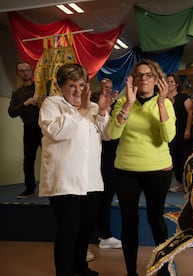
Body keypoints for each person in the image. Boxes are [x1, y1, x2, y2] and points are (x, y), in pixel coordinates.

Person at [38, 63, 116, 276]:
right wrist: (81, 110)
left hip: (90, 181)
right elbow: (57, 132)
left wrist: (101, 111)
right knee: (68, 230)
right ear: (61, 86)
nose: (77, 90)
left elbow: (107, 134)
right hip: (64, 181)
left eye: (81, 85)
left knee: (85, 230)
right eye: (71, 85)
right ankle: (64, 272)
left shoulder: (92, 106)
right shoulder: (51, 104)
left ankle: (80, 267)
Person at [107, 59, 176, 276]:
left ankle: (164, 268)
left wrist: (163, 102)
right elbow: (112, 134)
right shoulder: (122, 102)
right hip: (126, 170)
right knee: (129, 222)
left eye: (148, 75)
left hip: (158, 170)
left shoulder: (165, 103)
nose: (144, 78)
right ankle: (131, 272)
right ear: (133, 80)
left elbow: (167, 137)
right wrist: (128, 103)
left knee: (156, 219)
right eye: (139, 75)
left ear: (156, 80)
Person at [91, 78, 122, 249]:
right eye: (105, 87)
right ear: (100, 88)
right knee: (101, 197)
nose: (108, 90)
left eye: (111, 87)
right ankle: (104, 234)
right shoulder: (92, 103)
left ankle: (105, 233)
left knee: (107, 195)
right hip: (98, 155)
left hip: (112, 154)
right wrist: (103, 109)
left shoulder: (116, 103)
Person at [8, 61, 42, 199]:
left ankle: (54, 188)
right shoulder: (17, 93)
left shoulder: (40, 88)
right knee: (28, 160)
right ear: (18, 74)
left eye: (27, 70)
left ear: (32, 71)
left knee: (51, 158)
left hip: (45, 127)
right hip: (29, 128)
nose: (25, 73)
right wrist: (25, 103)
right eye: (21, 71)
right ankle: (29, 189)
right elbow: (11, 112)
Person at [167, 73, 193, 193]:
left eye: (172, 82)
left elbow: (190, 113)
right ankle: (179, 182)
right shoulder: (163, 99)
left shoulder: (184, 97)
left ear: (177, 84)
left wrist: (188, 129)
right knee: (174, 159)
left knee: (185, 159)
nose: (169, 84)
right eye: (168, 82)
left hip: (184, 132)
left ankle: (190, 184)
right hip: (170, 134)